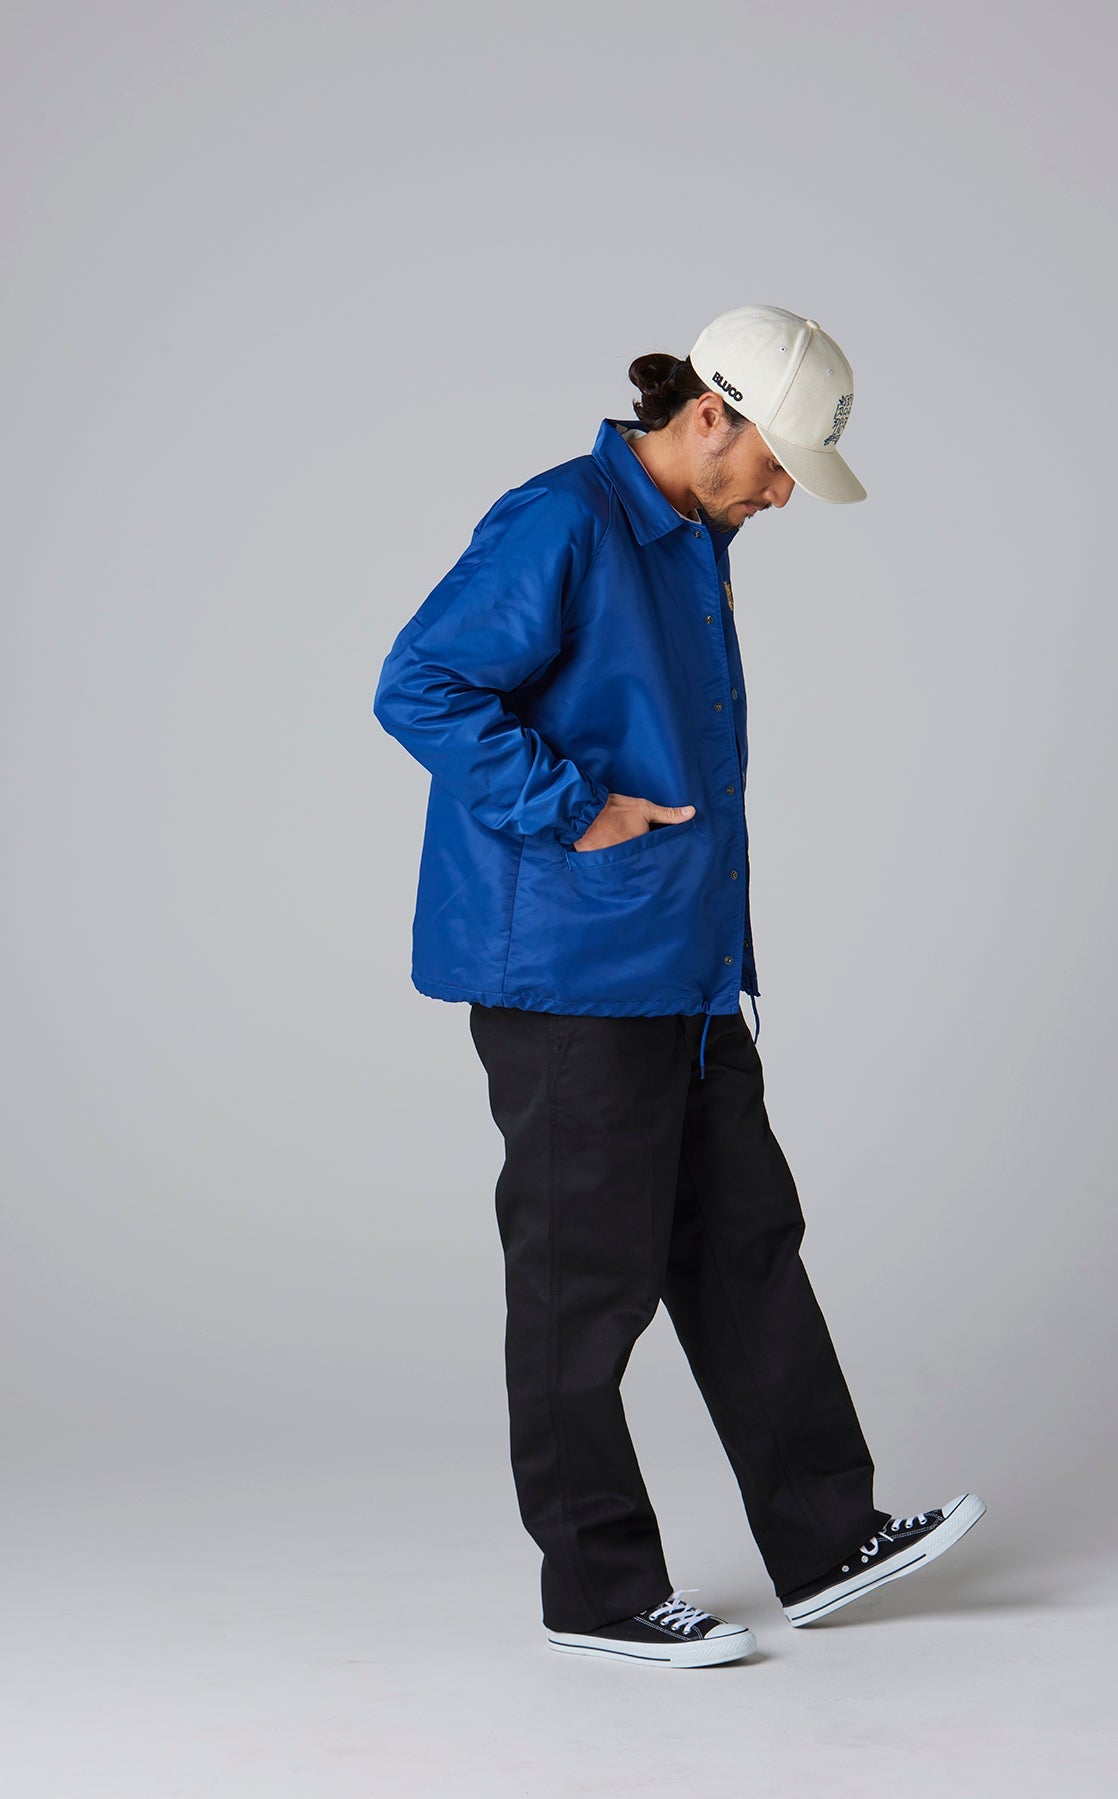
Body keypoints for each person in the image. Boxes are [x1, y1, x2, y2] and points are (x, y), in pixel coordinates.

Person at [372, 304, 985, 1668]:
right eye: (775, 464)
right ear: (711, 416)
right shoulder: (563, 521)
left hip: (686, 972)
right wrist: (571, 808)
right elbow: (421, 684)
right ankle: (597, 1590)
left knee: (745, 1243)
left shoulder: (691, 539)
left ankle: (827, 1543)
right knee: (583, 1282)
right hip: (573, 977)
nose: (782, 495)